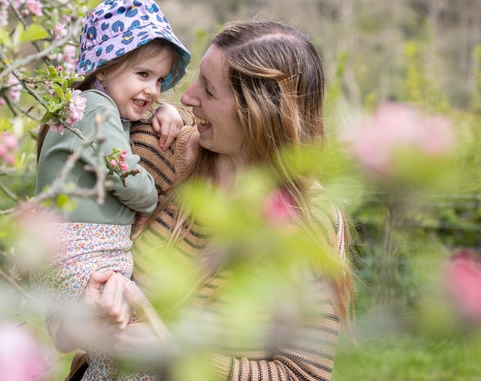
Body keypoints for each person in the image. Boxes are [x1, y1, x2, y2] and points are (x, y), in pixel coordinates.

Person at [57, 20, 355, 381]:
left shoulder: (309, 222)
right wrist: (78, 310)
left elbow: (303, 375)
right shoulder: (153, 151)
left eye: (209, 91)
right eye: (196, 79)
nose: (187, 96)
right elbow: (68, 253)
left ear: (259, 113)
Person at [33, 0, 191, 381]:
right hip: (83, 252)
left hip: (82, 253)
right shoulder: (94, 109)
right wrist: (151, 199)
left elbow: (134, 128)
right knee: (135, 341)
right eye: (143, 75)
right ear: (103, 68)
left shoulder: (93, 110)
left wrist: (167, 111)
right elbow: (127, 178)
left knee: (111, 353)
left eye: (159, 80)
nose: (153, 89)